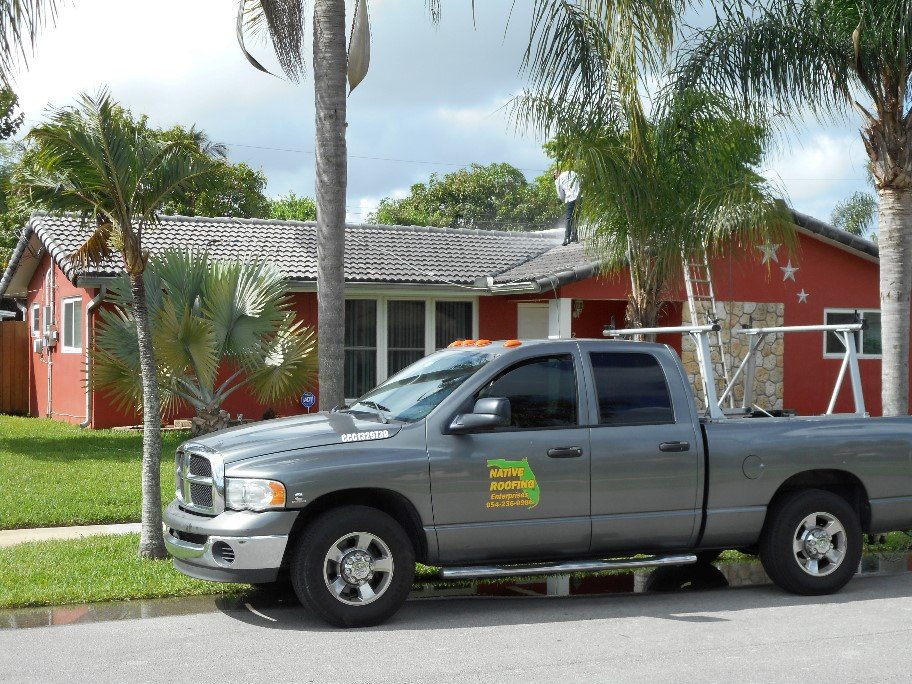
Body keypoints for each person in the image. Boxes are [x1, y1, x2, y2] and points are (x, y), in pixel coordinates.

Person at [553, 168, 581, 245]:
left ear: (556, 174)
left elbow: (561, 196)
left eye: (554, 174)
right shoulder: (572, 172)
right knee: (576, 216)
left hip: (570, 198)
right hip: (579, 197)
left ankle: (567, 238)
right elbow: (580, 181)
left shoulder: (557, 180)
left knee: (569, 218)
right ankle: (574, 235)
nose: (554, 175)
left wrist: (565, 201)